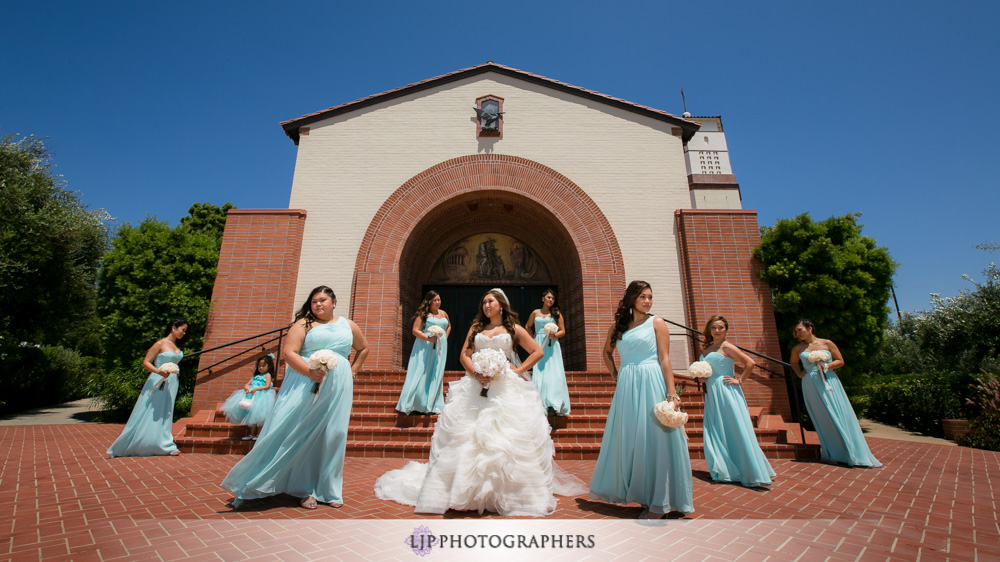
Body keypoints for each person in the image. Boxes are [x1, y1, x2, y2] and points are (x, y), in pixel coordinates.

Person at [375, 288, 587, 516]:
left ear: (501, 305)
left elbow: (536, 352)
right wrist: (476, 374)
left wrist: (517, 370)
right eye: (484, 302)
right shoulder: (476, 328)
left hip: (504, 388)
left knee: (505, 438)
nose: (486, 305)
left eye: (491, 301)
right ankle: (460, 492)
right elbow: (464, 355)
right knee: (468, 436)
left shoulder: (512, 328)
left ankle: (512, 494)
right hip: (476, 387)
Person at [222, 286, 370, 509]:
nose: (318, 305)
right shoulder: (303, 324)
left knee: (333, 434)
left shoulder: (348, 325)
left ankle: (326, 488)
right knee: (293, 430)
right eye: (314, 302)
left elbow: (364, 348)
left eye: (322, 300)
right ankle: (292, 486)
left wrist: (353, 370)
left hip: (338, 388)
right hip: (304, 384)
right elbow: (289, 353)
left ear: (334, 301)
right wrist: (310, 372)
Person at [588, 281, 694, 519]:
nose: (647, 301)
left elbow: (665, 360)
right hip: (627, 385)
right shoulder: (619, 325)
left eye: (650, 297)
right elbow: (606, 351)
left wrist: (671, 393)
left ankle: (659, 503)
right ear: (632, 299)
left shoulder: (656, 322)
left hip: (651, 381)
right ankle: (643, 495)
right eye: (643, 297)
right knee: (633, 440)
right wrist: (616, 374)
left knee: (654, 440)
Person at [790, 319, 880, 468]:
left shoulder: (827, 343)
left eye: (800, 330)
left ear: (810, 328)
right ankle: (833, 453)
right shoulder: (797, 349)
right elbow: (793, 362)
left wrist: (827, 365)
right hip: (810, 383)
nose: (797, 333)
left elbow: (840, 361)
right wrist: (799, 373)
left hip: (829, 381)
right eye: (796, 331)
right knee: (822, 416)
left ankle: (853, 451)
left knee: (839, 413)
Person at [699, 316, 775, 487]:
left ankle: (750, 470)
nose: (717, 331)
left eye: (720, 327)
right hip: (712, 391)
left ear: (726, 330)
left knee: (735, 427)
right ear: (709, 330)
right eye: (714, 327)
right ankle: (725, 468)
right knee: (717, 428)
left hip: (727, 391)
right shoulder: (707, 347)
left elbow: (750, 362)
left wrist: (739, 380)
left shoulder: (727, 346)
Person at [107, 318, 188, 458]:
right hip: (158, 379)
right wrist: (159, 372)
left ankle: (165, 443)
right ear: (173, 328)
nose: (184, 333)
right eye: (183, 330)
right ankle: (143, 443)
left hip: (172, 382)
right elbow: (146, 363)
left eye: (185, 331)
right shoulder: (160, 344)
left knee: (166, 412)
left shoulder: (177, 346)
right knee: (152, 410)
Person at [395, 291, 450, 415]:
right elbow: (415, 330)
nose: (438, 302)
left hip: (440, 347)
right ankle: (417, 402)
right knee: (423, 371)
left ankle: (432, 404)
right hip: (425, 346)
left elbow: (449, 326)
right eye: (435, 300)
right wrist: (428, 338)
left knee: (436, 372)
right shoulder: (423, 315)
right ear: (429, 301)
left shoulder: (444, 313)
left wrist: (444, 338)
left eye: (439, 300)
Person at [525, 289, 571, 415]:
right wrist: (532, 337)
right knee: (540, 373)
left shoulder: (556, 314)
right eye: (548, 297)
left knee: (554, 374)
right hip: (539, 344)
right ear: (543, 298)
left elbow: (562, 331)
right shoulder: (535, 313)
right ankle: (540, 403)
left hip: (552, 345)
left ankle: (553, 404)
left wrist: (554, 335)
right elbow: (527, 326)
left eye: (553, 299)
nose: (550, 300)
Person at [220, 354, 278, 440]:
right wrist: (246, 388)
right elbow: (247, 385)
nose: (261, 368)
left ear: (269, 366)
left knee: (259, 416)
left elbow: (267, 386)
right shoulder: (255, 376)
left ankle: (259, 434)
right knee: (252, 415)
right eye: (259, 366)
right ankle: (251, 434)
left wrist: (257, 389)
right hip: (251, 397)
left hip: (262, 397)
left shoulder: (268, 375)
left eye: (263, 366)